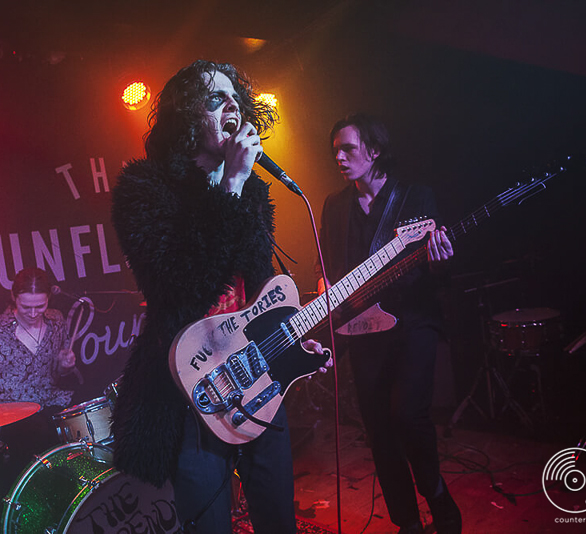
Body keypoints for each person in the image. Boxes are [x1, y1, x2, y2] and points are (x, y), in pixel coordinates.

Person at [110, 60, 326, 534]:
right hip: (192, 392)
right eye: (214, 99)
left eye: (235, 98)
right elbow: (179, 282)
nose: (231, 105)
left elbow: (259, 292)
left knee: (279, 520)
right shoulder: (145, 189)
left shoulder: (252, 191)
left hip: (256, 381)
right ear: (186, 118)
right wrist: (229, 184)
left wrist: (289, 343)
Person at [317, 114, 461, 533]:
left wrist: (440, 260)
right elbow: (326, 264)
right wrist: (325, 286)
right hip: (362, 328)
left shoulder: (415, 198)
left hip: (412, 320)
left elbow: (437, 272)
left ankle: (441, 504)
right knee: (378, 428)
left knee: (408, 417)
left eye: (348, 148)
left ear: (374, 151)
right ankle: (407, 522)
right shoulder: (334, 205)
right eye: (335, 151)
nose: (340, 158)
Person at [0, 267, 81, 478]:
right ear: (13, 298)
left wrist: (66, 365)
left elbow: (59, 372)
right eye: (26, 306)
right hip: (11, 412)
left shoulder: (56, 320)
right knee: (34, 434)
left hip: (50, 403)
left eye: (40, 306)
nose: (34, 313)